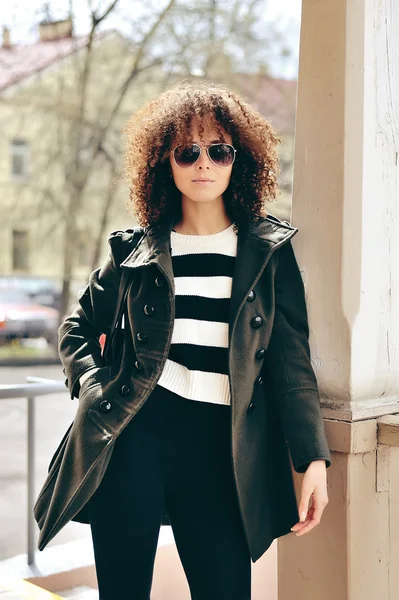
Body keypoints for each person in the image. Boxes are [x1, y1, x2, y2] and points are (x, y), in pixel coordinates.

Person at [33, 79, 332, 600]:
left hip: (223, 449)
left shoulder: (267, 253)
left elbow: (291, 364)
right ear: (164, 162)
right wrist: (93, 383)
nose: (204, 163)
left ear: (239, 159)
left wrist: (312, 460)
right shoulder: (136, 252)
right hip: (134, 439)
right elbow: (77, 326)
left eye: (219, 150)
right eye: (187, 151)